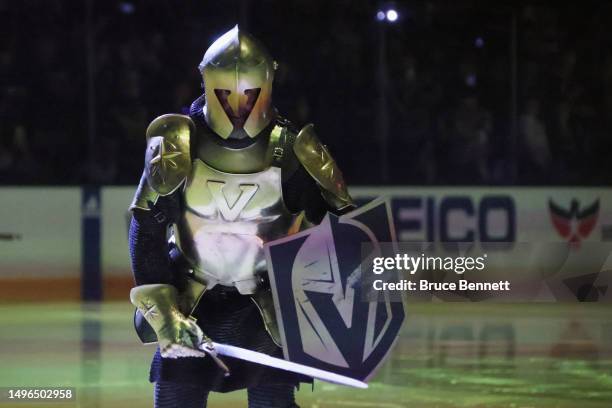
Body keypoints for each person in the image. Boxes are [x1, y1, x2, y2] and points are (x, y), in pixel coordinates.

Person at [127, 26, 354, 408]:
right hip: (191, 299)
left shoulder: (295, 149)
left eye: (249, 94)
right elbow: (146, 229)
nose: (237, 106)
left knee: (272, 400)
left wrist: (319, 293)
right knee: (176, 398)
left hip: (268, 305)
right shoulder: (176, 145)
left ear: (266, 86)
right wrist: (165, 312)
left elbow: (341, 226)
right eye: (226, 94)